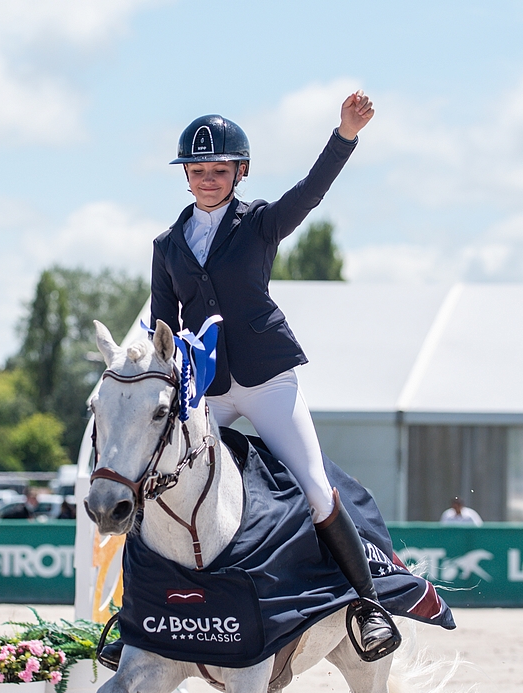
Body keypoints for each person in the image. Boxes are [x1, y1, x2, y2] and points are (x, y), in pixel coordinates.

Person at [136, 92, 396, 663]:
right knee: (155, 479)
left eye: (219, 171)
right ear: (186, 177)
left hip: (268, 377)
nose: (208, 179)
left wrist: (344, 136)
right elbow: (162, 323)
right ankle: (134, 616)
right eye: (198, 171)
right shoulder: (166, 246)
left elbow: (310, 193)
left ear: (239, 172)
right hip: (209, 387)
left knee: (311, 483)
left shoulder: (258, 224)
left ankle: (367, 604)